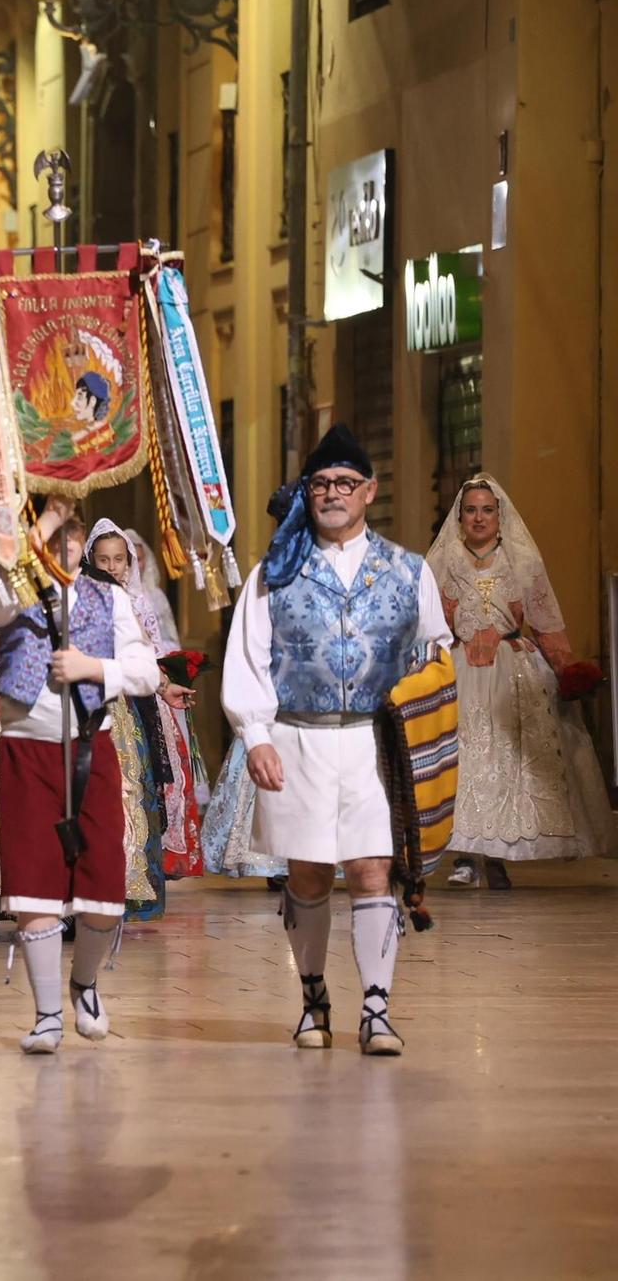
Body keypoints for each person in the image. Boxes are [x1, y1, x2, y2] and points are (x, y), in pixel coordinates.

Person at [222, 424, 451, 1056]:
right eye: (321, 483)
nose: (332, 494)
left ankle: (376, 1010)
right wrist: (255, 735)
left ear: (369, 491)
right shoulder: (276, 573)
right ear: (308, 493)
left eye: (345, 483)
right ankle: (313, 998)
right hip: (299, 741)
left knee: (374, 868)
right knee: (311, 874)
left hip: (378, 748)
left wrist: (425, 729)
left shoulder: (409, 571)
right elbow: (246, 656)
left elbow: (438, 654)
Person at [0, 497, 160, 1053]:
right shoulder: (10, 596)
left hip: (90, 750)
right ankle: (45, 1016)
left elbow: (146, 672)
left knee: (104, 892)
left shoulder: (108, 601)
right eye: (45, 539)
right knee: (32, 883)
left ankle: (83, 983)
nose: (55, 549)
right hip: (25, 752)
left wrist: (94, 668)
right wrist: (36, 524)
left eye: (65, 540)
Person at [427, 473, 616, 886]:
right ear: (460, 516)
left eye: (487, 510)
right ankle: (465, 856)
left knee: (509, 761)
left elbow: (545, 622)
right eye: (471, 510)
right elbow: (426, 624)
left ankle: (497, 856)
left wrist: (566, 666)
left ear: (500, 515)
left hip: (512, 667)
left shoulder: (523, 560)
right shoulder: (441, 562)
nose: (479, 518)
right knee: (464, 761)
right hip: (459, 668)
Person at [85, 521, 207, 886]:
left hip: (136, 705)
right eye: (103, 559)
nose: (111, 567)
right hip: (94, 701)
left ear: (129, 562)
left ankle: (134, 878)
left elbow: (147, 656)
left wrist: (165, 685)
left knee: (138, 787)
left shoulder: (137, 601)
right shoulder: (82, 601)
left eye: (118, 559)